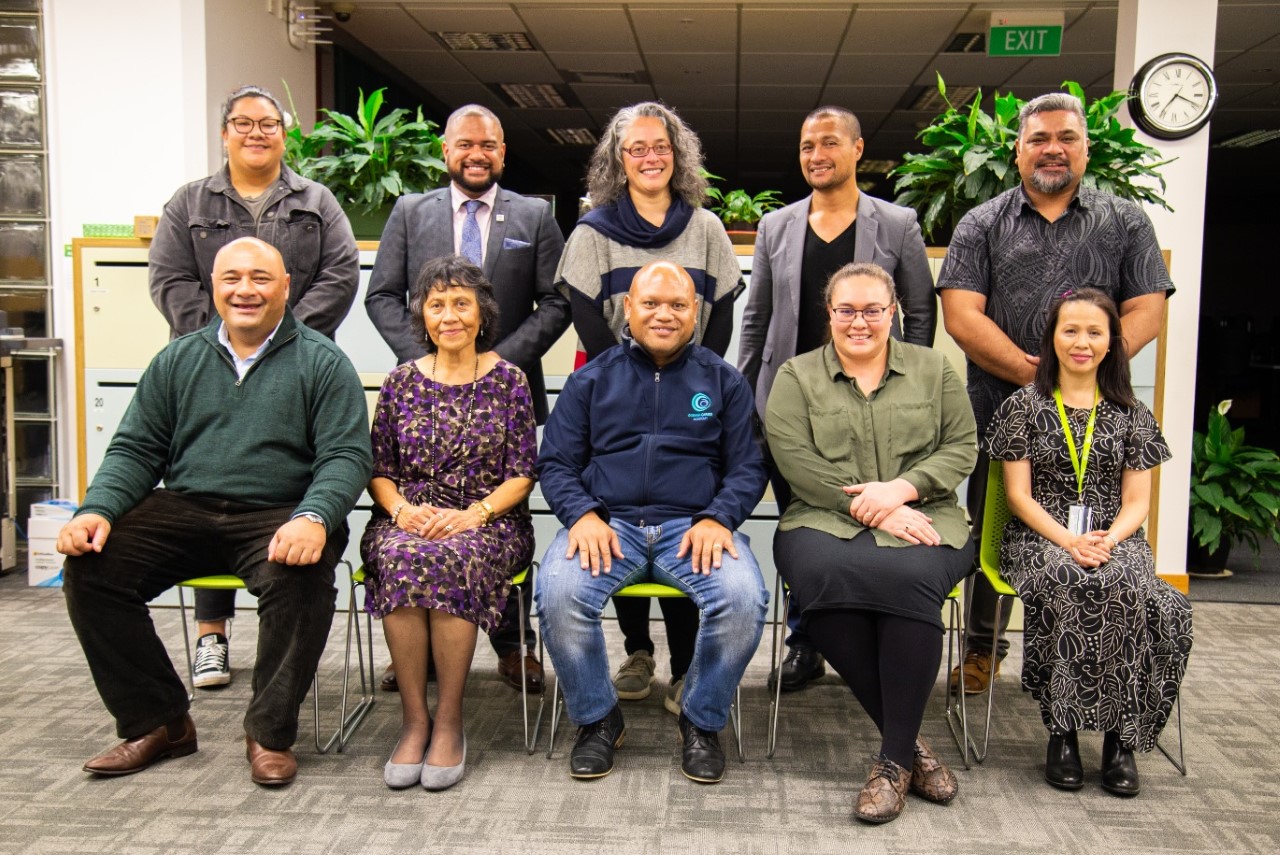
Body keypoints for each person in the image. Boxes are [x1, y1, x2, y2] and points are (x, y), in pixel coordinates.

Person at [60, 237, 371, 787]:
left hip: (280, 512)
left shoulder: (322, 362)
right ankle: (159, 722)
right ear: (213, 285)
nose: (244, 290)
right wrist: (98, 509)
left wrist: (314, 516)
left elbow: (346, 455)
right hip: (186, 507)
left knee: (298, 578)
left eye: (259, 278)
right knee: (92, 568)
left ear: (285, 288)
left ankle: (269, 734)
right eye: (231, 278)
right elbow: (135, 449)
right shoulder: (179, 359)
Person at [936, 91, 1174, 696]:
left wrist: (1083, 375)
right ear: (1017, 151)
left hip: (1097, 424)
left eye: (1066, 137)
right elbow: (962, 316)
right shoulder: (981, 223)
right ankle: (983, 650)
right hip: (1003, 415)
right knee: (995, 527)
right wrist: (1035, 378)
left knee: (1089, 534)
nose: (1052, 149)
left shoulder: (1125, 222)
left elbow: (1146, 308)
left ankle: (1060, 655)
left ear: (1085, 148)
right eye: (1039, 138)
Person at [148, 84, 360, 689]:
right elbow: (169, 281)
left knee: (276, 489)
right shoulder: (189, 202)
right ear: (225, 132)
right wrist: (231, 334)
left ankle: (276, 642)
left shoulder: (316, 201)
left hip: (296, 365)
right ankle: (211, 636)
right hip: (207, 368)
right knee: (207, 483)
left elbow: (339, 278)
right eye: (244, 123)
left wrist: (279, 339)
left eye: (268, 124)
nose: (256, 133)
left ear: (283, 134)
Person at [536, 261, 767, 784]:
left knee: (743, 599)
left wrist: (718, 519)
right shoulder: (590, 380)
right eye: (651, 303)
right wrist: (582, 515)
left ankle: (702, 721)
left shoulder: (724, 381)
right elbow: (555, 463)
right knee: (557, 593)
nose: (664, 314)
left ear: (696, 314)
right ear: (626, 309)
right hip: (608, 524)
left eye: (678, 305)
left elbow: (749, 466)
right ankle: (598, 720)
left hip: (693, 527)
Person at [365, 103, 568, 695]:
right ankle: (420, 649)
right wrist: (426, 362)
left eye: (488, 145)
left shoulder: (535, 214)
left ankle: (513, 645)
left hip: (505, 394)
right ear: (446, 150)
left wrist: (496, 361)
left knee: (502, 507)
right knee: (426, 518)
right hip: (427, 394)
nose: (476, 154)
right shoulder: (409, 211)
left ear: (502, 153)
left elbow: (556, 302)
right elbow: (382, 296)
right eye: (464, 144)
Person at [766, 261, 975, 824]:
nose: (859, 323)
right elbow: (795, 462)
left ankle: (889, 762)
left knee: (907, 580)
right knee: (823, 579)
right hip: (822, 520)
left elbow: (961, 446)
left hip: (926, 516)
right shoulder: (795, 375)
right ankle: (909, 749)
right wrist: (870, 508)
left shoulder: (935, 370)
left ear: (894, 313)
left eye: (873, 310)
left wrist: (901, 491)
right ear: (828, 313)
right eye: (846, 310)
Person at [555, 101, 745, 712]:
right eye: (635, 148)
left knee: (685, 508)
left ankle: (689, 662)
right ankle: (637, 648)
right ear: (618, 159)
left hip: (693, 381)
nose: (649, 157)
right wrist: (634, 379)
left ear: (677, 152)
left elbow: (720, 314)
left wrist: (694, 378)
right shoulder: (592, 231)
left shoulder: (707, 229)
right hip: (612, 381)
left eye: (659, 146)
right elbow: (589, 320)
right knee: (615, 512)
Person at [739, 104, 935, 693]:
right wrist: (744, 396)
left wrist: (912, 389)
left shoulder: (897, 224)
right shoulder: (777, 225)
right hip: (793, 410)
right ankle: (807, 641)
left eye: (828, 143)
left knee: (865, 524)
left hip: (870, 408)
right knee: (806, 523)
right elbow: (758, 318)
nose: (816, 156)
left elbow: (920, 313)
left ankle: (868, 636)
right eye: (805, 146)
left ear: (857, 148)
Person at [983, 288, 1192, 796]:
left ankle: (1121, 741)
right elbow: (1018, 498)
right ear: (1052, 339)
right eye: (1070, 330)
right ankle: (1064, 733)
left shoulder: (1130, 411)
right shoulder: (1023, 406)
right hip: (1040, 534)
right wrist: (1070, 542)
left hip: (1115, 534)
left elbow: (1138, 502)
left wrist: (1106, 541)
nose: (1082, 341)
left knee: (1143, 593)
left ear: (1111, 343)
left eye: (1094, 332)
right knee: (1070, 576)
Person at [361, 256, 537, 790]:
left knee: (452, 556)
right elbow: (379, 471)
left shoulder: (510, 381)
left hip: (489, 518)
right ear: (422, 316)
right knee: (399, 554)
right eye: (436, 305)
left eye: (461, 303)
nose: (449, 315)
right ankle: (416, 720)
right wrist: (402, 512)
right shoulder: (398, 382)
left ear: (482, 313)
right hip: (408, 513)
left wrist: (472, 515)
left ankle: (450, 723)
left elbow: (522, 474)